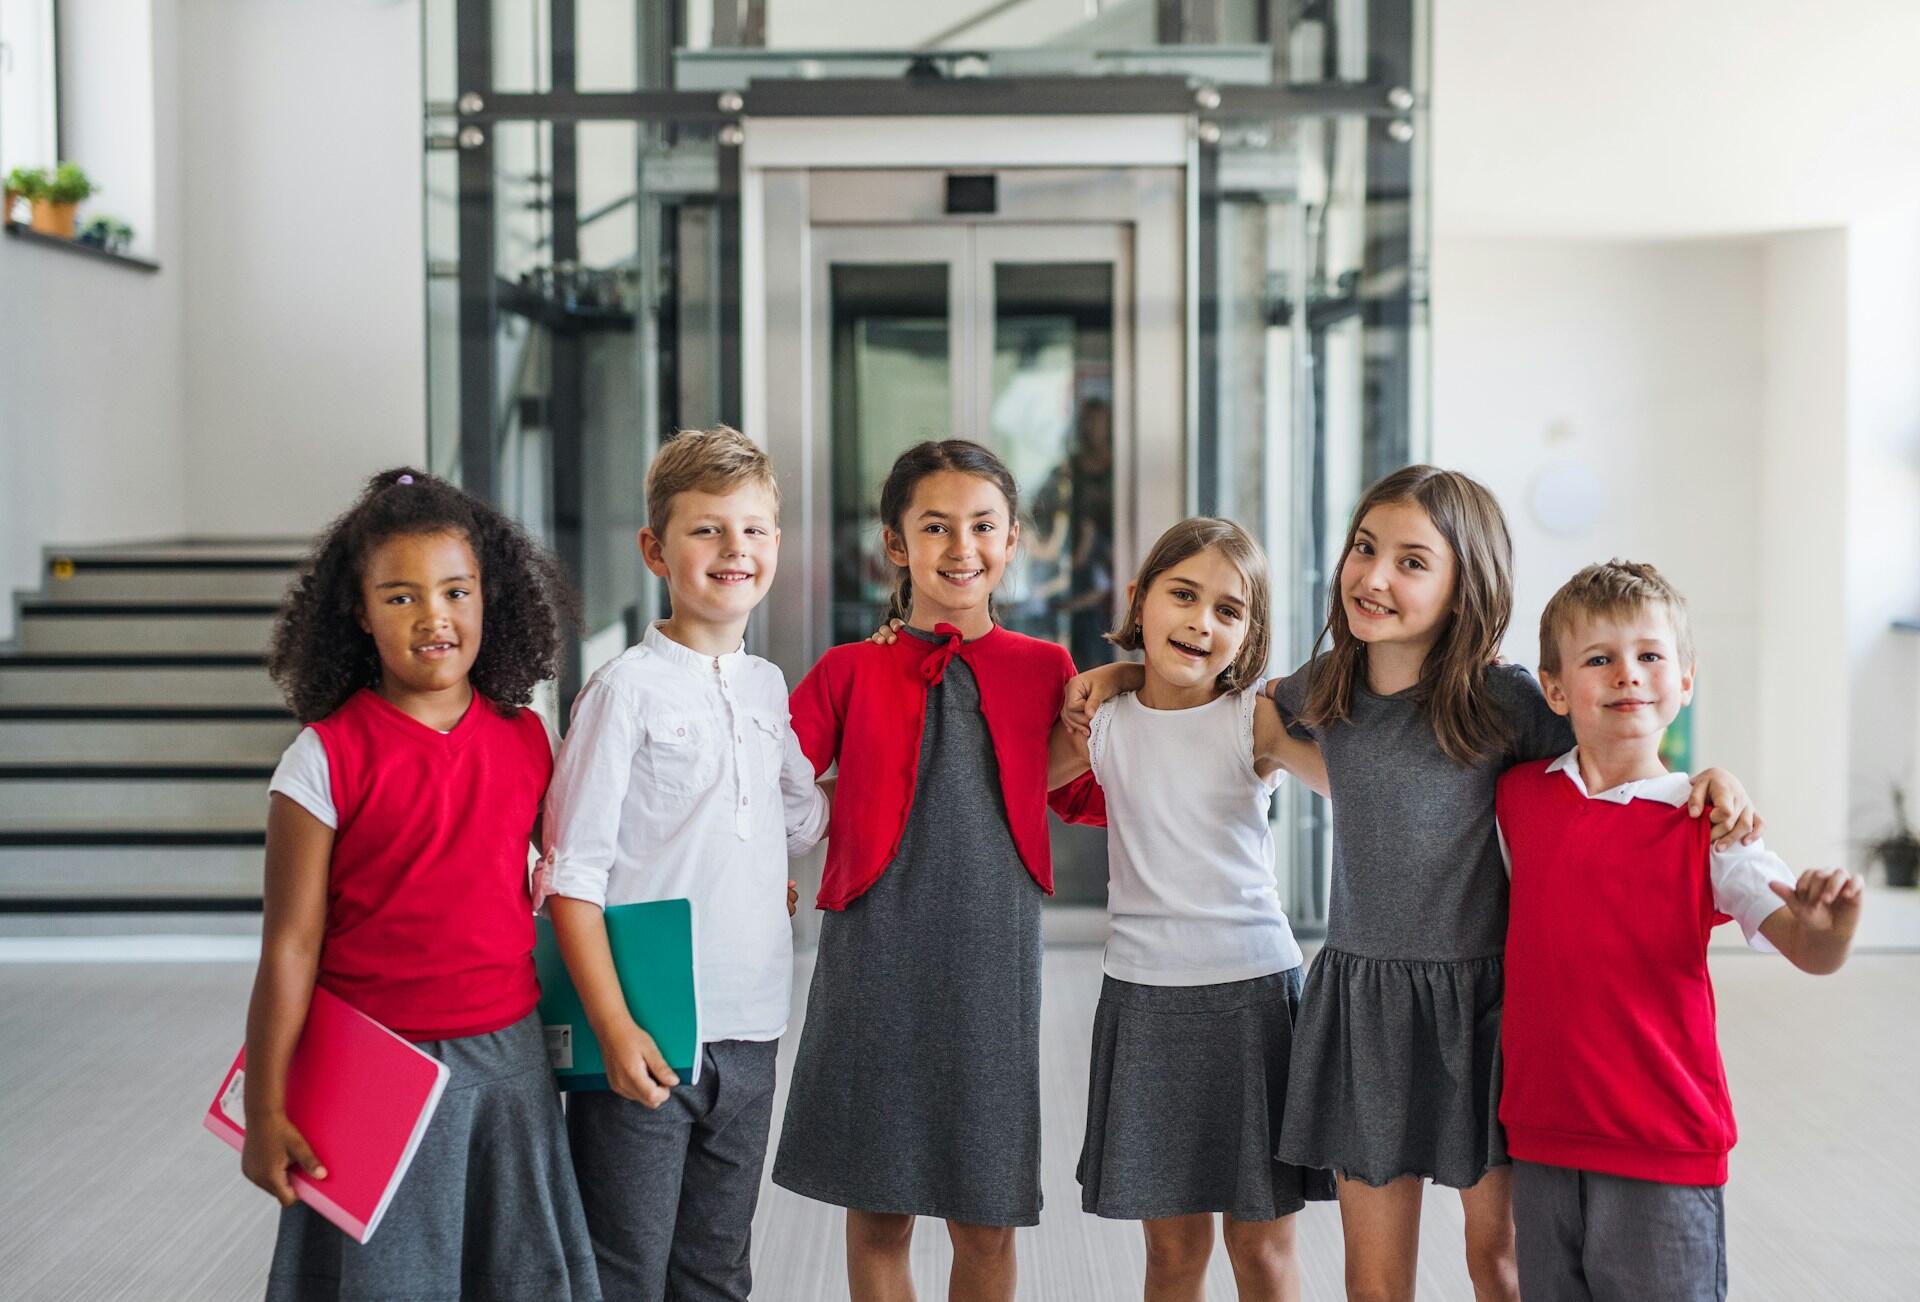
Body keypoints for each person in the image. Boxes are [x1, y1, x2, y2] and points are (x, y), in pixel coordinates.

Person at [1066, 466, 1759, 1302]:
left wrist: (1705, 778)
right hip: (1364, 1009)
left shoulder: (1507, 700)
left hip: (1484, 1008)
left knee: (1498, 1262)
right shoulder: (1320, 689)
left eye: (1412, 562)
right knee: (1374, 1282)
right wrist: (1119, 676)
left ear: (1465, 588)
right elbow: (1209, 693)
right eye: (1365, 548)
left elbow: (1614, 749)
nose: (1375, 576)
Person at [244, 467, 599, 1302]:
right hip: (372, 1068)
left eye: (455, 591)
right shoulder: (322, 759)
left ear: (489, 600)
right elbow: (290, 946)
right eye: (400, 597)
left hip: (511, 1066)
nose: (433, 616)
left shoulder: (530, 739)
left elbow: (580, 873)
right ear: (360, 614)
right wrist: (264, 1109)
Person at [771, 439, 1103, 1302]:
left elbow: (1089, 792)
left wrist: (1130, 688)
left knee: (986, 1218)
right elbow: (767, 782)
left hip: (992, 963)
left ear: (1014, 539)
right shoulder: (849, 669)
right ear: (895, 543)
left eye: (984, 526)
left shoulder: (1048, 669)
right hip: (873, 956)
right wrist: (761, 870)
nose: (963, 547)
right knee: (879, 1214)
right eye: (936, 526)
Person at [1497, 559, 1862, 1302]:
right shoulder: (1515, 798)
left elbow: (1808, 949)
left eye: (1650, 655)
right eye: (1599, 659)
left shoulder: (1712, 825)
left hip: (1663, 1145)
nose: (1627, 674)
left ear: (1685, 681)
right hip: (1539, 1138)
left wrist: (1832, 929)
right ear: (1555, 691)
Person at [543, 427, 830, 1301]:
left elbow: (801, 820)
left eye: (754, 529)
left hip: (753, 1027)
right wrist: (614, 1027)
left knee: (717, 1268)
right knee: (623, 1269)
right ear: (655, 550)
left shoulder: (767, 686)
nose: (734, 548)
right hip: (646, 1030)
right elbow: (571, 878)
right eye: (707, 529)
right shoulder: (622, 691)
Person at [1052, 517, 1334, 1302]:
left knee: (1263, 1250)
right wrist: (1112, 676)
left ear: (1248, 635)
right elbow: (1003, 784)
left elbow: (1349, 782)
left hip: (1254, 999)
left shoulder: (1254, 719)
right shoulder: (1101, 721)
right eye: (1183, 595)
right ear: (1139, 600)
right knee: (1172, 1252)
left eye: (1228, 610)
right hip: (1144, 1000)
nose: (1201, 621)